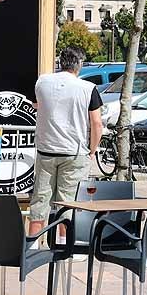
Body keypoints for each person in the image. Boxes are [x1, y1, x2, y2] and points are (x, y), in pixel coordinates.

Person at [28, 47, 104, 239]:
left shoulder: (42, 82)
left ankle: (32, 244)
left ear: (60, 63)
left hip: (46, 149)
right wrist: (92, 150)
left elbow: (36, 105)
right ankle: (65, 245)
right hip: (75, 152)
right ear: (79, 64)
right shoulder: (88, 88)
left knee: (40, 200)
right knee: (69, 202)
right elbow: (96, 123)